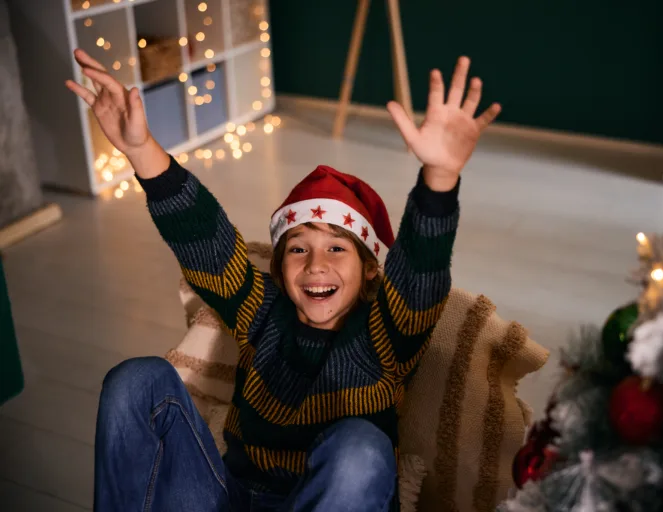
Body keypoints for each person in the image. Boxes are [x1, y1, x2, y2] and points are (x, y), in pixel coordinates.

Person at [66, 49, 500, 512]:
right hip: (236, 498)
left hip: (336, 497)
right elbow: (205, 242)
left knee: (360, 447)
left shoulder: (385, 333)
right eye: (298, 248)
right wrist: (140, 150)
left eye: (337, 248)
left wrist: (440, 178)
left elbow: (419, 273)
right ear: (277, 267)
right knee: (136, 381)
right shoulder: (261, 310)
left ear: (372, 268)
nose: (316, 264)